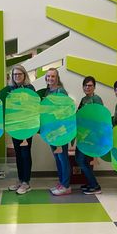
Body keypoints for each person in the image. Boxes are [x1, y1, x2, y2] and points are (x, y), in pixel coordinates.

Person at [4, 65, 36, 195]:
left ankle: (26, 182)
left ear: (24, 75)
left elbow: (33, 107)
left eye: (19, 74)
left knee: (25, 153)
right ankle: (20, 179)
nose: (17, 76)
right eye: (15, 74)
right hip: (14, 126)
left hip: (27, 127)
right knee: (18, 154)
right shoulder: (11, 89)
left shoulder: (30, 89)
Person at [42, 68, 72, 196]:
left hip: (60, 130)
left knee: (62, 157)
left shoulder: (61, 91)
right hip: (51, 130)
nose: (50, 79)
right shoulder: (48, 91)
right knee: (57, 157)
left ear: (57, 78)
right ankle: (61, 183)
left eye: (53, 76)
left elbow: (65, 112)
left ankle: (66, 185)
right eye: (48, 76)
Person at [75, 76, 103, 195]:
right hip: (82, 135)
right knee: (80, 159)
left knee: (81, 160)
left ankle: (95, 185)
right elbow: (79, 114)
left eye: (90, 85)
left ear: (94, 87)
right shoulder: (83, 99)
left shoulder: (96, 99)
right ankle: (91, 182)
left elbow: (100, 117)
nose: (87, 87)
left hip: (91, 136)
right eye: (85, 85)